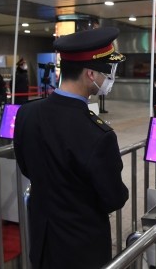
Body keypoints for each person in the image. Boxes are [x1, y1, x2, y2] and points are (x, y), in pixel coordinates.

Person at [13, 27, 129, 269]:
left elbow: (27, 167)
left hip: (42, 241)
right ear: (90, 74)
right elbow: (114, 198)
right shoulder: (98, 135)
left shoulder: (27, 113)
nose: (110, 78)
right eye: (107, 72)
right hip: (81, 250)